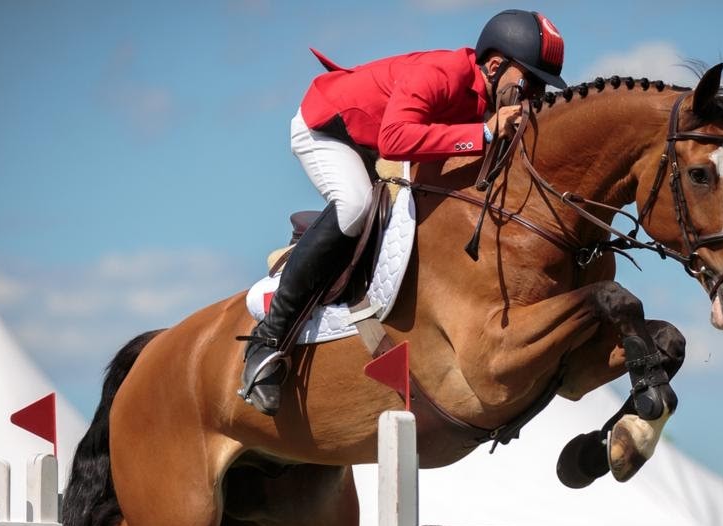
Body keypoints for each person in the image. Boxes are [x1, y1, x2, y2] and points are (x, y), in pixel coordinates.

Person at [239, 9, 568, 414]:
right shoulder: (441, 74)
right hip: (327, 129)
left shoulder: (489, 95)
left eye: (542, 90)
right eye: (530, 83)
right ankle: (267, 340)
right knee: (356, 204)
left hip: (374, 139)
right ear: (496, 65)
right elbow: (393, 139)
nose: (535, 97)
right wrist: (484, 132)